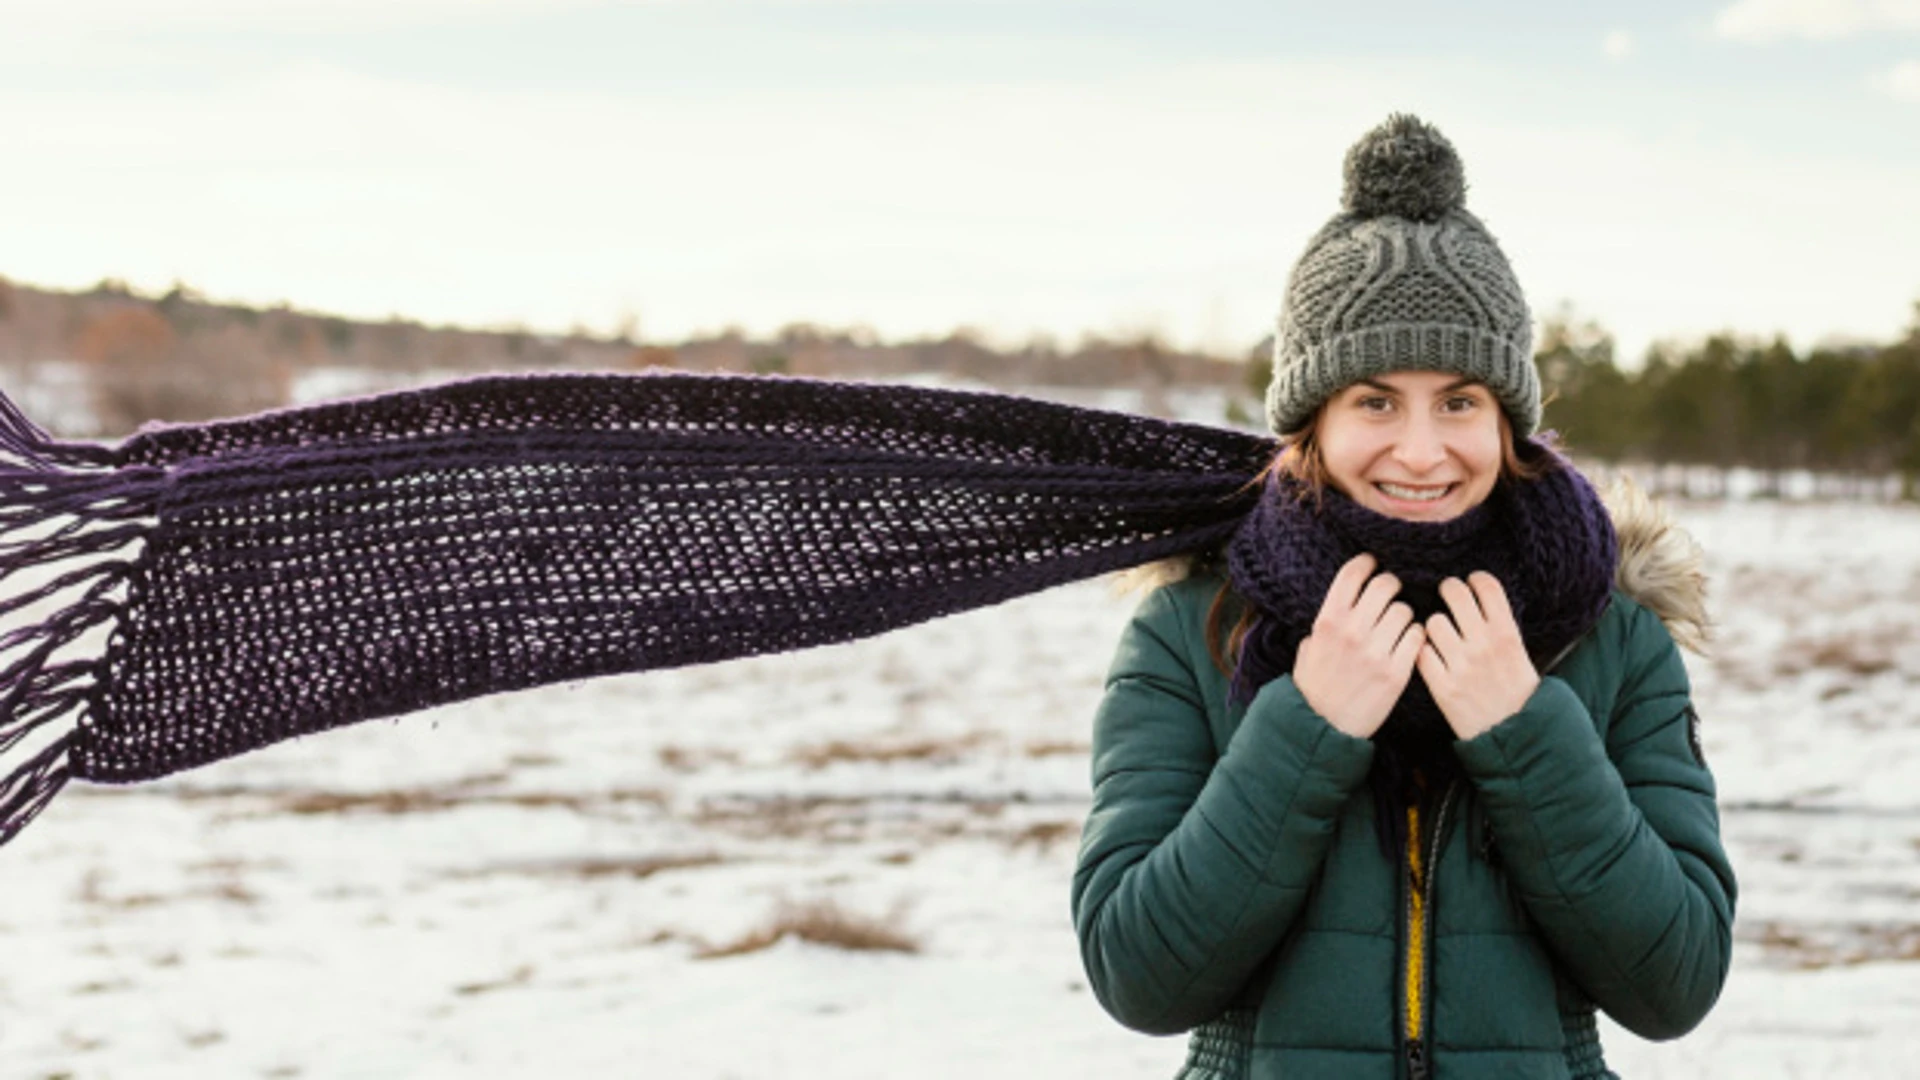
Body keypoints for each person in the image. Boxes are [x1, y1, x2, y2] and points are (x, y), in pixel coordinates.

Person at [1071, 115, 1736, 1079]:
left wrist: (1522, 728)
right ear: (1313, 419)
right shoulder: (1193, 630)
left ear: (1509, 418)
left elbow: (1676, 982)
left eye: (1460, 402)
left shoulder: (1612, 635)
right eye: (1375, 401)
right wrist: (1307, 726)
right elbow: (1139, 975)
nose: (1421, 451)